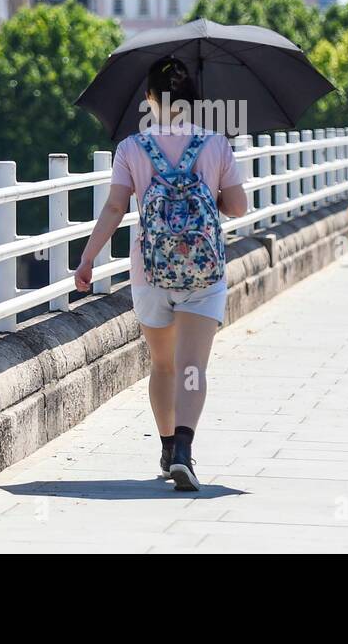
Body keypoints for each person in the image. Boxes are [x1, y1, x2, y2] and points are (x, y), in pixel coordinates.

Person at [74, 57, 248, 492]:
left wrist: (88, 258)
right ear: (192, 99)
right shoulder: (216, 144)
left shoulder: (132, 148)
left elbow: (115, 207)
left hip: (149, 271)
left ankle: (168, 447)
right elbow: (238, 207)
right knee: (193, 367)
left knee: (164, 364)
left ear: (149, 98)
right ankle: (186, 451)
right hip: (203, 273)